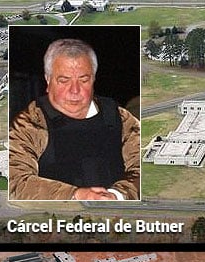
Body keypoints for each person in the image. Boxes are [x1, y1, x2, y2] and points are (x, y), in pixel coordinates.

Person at [9, 38, 140, 201]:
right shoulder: (30, 124)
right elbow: (17, 182)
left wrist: (117, 195)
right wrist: (76, 195)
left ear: (93, 79)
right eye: (64, 80)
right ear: (48, 80)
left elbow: (143, 168)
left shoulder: (120, 119)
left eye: (83, 80)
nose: (75, 90)